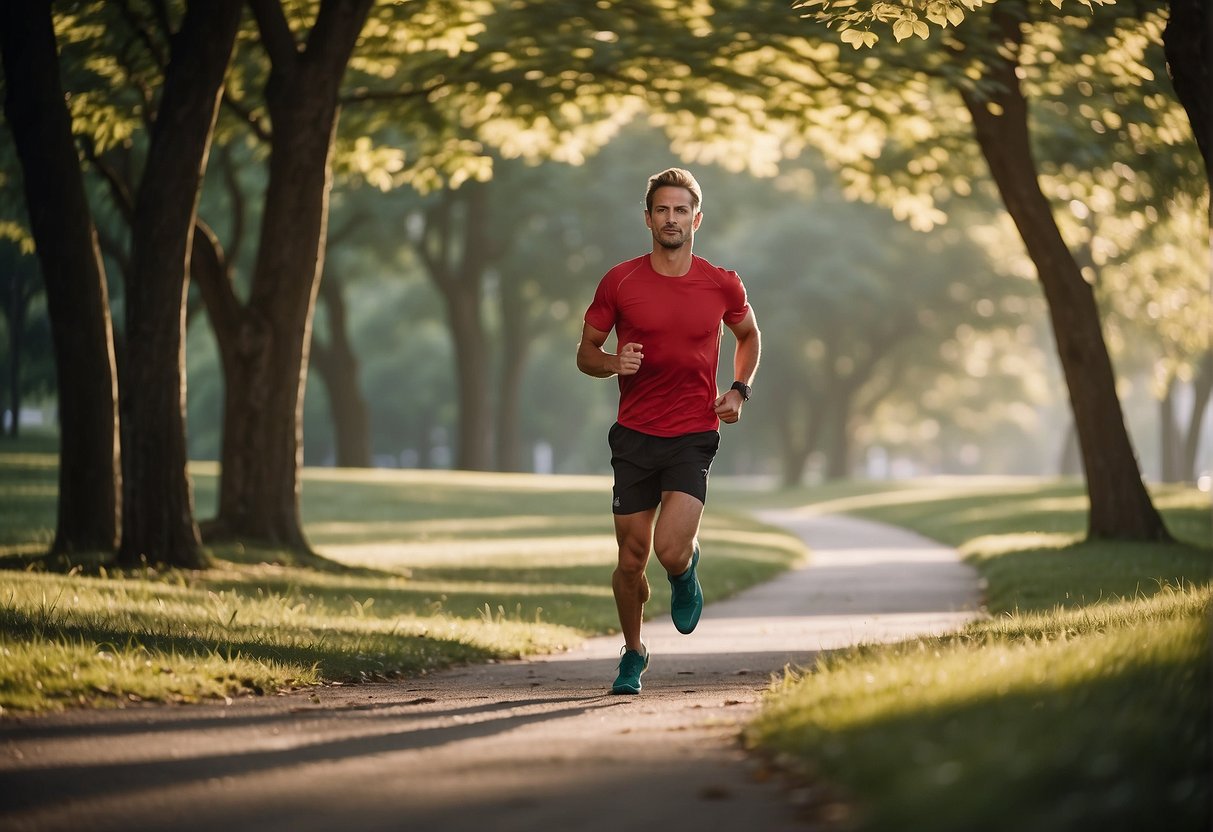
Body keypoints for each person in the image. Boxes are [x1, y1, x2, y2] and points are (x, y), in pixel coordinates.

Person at [575, 167, 761, 695]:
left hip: (692, 432)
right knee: (630, 559)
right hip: (634, 434)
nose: (672, 218)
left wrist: (739, 390)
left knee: (670, 550)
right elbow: (585, 354)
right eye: (662, 209)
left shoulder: (721, 282)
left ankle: (686, 569)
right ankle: (633, 653)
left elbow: (749, 336)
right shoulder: (621, 281)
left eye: (681, 210)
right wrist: (613, 362)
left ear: (696, 219)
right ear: (649, 218)